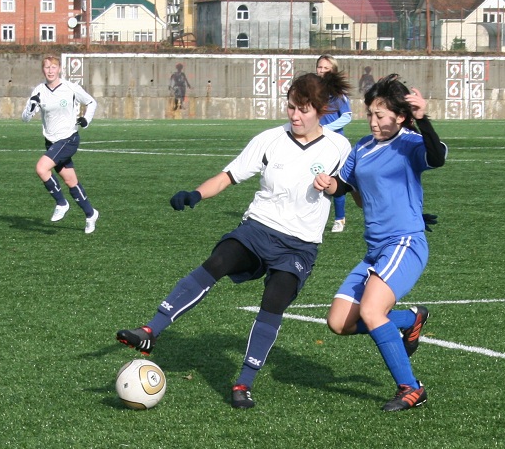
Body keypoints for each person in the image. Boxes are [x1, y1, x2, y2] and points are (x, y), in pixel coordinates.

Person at [116, 72, 352, 409]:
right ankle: (150, 331)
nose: (294, 116)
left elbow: (350, 187)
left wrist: (332, 186)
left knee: (275, 298)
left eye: (302, 109)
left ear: (320, 110)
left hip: (300, 245)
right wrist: (195, 194)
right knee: (219, 261)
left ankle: (244, 382)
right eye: (290, 107)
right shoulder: (270, 139)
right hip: (258, 229)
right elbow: (229, 176)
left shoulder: (338, 146)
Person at [313, 74, 447, 412]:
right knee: (339, 322)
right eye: (370, 113)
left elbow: (438, 156)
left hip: (405, 243)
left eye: (381, 115)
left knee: (372, 312)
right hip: (376, 249)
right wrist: (329, 184)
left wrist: (423, 118)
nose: (373, 121)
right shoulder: (362, 147)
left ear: (400, 116)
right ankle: (410, 320)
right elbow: (344, 186)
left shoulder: (410, 142)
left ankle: (411, 388)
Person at [22, 55, 99, 234]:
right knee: (70, 180)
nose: (50, 70)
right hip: (51, 141)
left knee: (42, 169)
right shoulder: (39, 90)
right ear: (43, 70)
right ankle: (90, 213)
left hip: (69, 138)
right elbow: (25, 118)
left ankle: (61, 203)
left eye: (53, 67)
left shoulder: (70, 88)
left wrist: (86, 119)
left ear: (59, 69)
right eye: (47, 67)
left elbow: (91, 102)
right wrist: (31, 107)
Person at [315, 54, 352, 233]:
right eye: (319, 67)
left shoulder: (338, 93)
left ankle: (339, 219)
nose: (322, 71)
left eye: (326, 68)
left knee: (336, 180)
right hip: (316, 141)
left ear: (333, 71)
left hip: (335, 142)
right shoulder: (313, 89)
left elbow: (347, 116)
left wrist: (327, 128)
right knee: (315, 177)